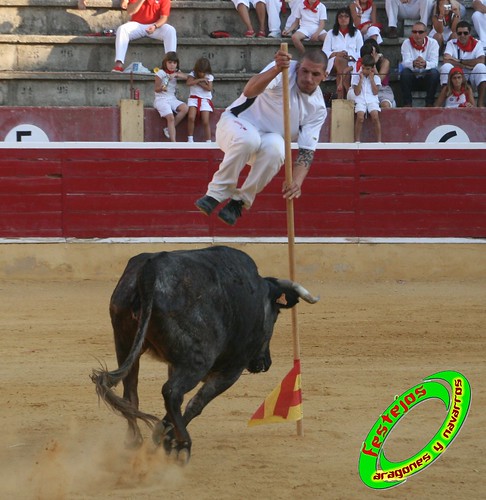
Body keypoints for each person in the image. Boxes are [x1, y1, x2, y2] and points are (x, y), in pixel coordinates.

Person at [195, 49, 328, 226]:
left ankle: (240, 202)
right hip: (235, 125)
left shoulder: (318, 109)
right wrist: (276, 70)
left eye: (315, 74)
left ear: (325, 76)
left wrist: (296, 182)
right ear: (298, 68)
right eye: (305, 71)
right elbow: (249, 91)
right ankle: (216, 193)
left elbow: (306, 151)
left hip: (265, 144)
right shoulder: (283, 69)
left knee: (278, 149)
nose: (308, 78)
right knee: (249, 139)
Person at [112, 0, 177, 72]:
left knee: (170, 30)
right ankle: (119, 64)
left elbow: (164, 18)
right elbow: (130, 11)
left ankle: (171, 64)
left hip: (155, 26)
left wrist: (155, 26)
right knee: (122, 29)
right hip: (136, 24)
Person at [440, 21, 486, 106]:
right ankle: (445, 99)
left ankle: (480, 103)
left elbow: (481, 60)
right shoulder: (451, 43)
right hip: (456, 75)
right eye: (459, 33)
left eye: (465, 33)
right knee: (446, 67)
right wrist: (466, 65)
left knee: (481, 67)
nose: (462, 36)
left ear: (469, 34)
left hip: (471, 75)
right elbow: (446, 59)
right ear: (456, 34)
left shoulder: (477, 43)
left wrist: (459, 61)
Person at [322, 7, 363, 99]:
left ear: (350, 18)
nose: (343, 19)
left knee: (343, 64)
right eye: (340, 16)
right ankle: (348, 91)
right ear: (337, 19)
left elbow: (361, 52)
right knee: (340, 60)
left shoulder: (357, 33)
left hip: (352, 63)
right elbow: (325, 52)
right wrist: (337, 54)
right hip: (333, 63)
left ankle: (340, 96)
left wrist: (351, 57)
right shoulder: (331, 33)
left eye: (346, 16)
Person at [399, 22, 440, 107]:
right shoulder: (406, 43)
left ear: (426, 33)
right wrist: (413, 63)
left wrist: (425, 64)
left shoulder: (433, 43)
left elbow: (435, 63)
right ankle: (407, 103)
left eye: (420, 32)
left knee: (434, 73)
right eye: (414, 32)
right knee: (405, 73)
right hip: (412, 78)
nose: (417, 34)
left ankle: (429, 103)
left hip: (427, 78)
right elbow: (405, 62)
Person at [348, 39, 396, 107]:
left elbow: (379, 80)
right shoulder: (361, 63)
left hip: (381, 90)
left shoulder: (384, 62)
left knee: (385, 105)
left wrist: (373, 64)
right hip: (364, 90)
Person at [153, 52, 188, 142]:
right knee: (170, 117)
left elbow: (188, 78)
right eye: (170, 62)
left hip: (172, 98)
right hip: (161, 99)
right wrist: (161, 88)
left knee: (185, 108)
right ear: (165, 63)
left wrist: (176, 74)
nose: (172, 65)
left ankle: (168, 129)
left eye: (174, 63)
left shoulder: (176, 72)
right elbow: (156, 89)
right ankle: (174, 143)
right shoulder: (160, 73)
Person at [352, 54, 381, 142]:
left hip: (372, 100)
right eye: (363, 68)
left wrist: (372, 80)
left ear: (372, 68)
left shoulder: (376, 78)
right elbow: (356, 92)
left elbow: (375, 92)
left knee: (375, 117)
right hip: (360, 100)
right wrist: (360, 80)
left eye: (367, 69)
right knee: (360, 117)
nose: (364, 70)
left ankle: (379, 141)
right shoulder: (356, 76)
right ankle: (357, 141)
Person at [186, 57, 214, 143]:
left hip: (205, 100)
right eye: (200, 72)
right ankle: (190, 139)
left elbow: (209, 88)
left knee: (205, 121)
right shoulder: (192, 74)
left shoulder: (209, 76)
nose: (202, 74)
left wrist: (198, 83)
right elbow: (188, 83)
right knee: (191, 117)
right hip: (193, 99)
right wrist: (200, 80)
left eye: (203, 72)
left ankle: (208, 141)